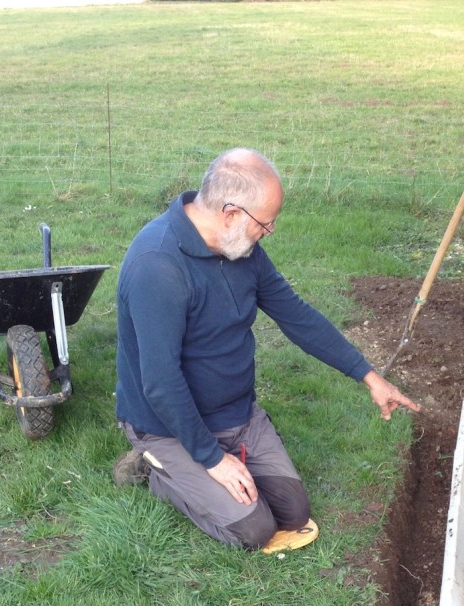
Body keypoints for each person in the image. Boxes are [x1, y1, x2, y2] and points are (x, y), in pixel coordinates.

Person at [113, 148, 419, 551]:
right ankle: (156, 469)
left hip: (236, 416)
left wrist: (369, 376)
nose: (269, 231)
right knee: (253, 530)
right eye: (265, 222)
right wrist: (212, 458)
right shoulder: (157, 266)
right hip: (168, 426)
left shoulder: (240, 249)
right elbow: (160, 381)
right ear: (230, 213)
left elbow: (296, 315)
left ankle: (216, 459)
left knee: (293, 512)